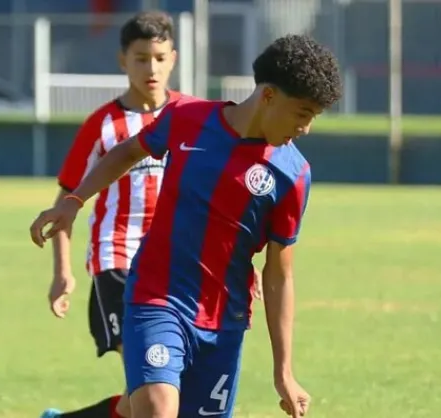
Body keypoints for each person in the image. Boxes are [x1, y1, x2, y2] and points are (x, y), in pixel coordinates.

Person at [31, 34, 342, 418]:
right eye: (302, 113)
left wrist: (284, 372)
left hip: (224, 321)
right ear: (268, 96)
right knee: (158, 408)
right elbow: (129, 151)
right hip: (157, 298)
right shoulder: (187, 118)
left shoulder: (292, 174)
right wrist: (74, 201)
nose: (306, 128)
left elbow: (279, 273)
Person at [40, 10, 180, 418]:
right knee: (150, 387)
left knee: (149, 397)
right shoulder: (102, 125)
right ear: (123, 60)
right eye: (141, 58)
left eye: (159, 58)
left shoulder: (187, 117)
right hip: (116, 261)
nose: (151, 69)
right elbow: (66, 201)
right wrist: (62, 272)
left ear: (173, 58)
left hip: (175, 264)